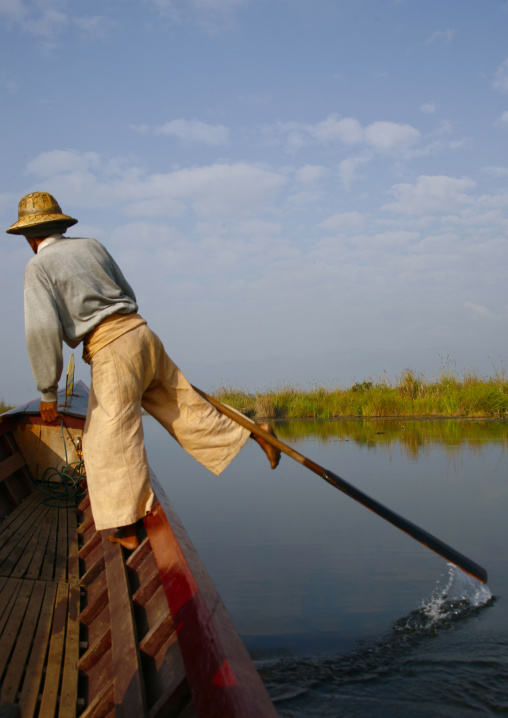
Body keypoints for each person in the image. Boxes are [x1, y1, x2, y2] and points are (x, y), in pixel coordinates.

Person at [7, 191, 280, 549]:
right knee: (184, 407)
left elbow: (42, 332)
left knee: (107, 438)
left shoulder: (37, 267)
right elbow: (127, 291)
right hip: (142, 332)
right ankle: (254, 432)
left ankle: (126, 527)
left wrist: (48, 391)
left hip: (110, 347)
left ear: (31, 238)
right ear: (59, 225)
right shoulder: (92, 246)